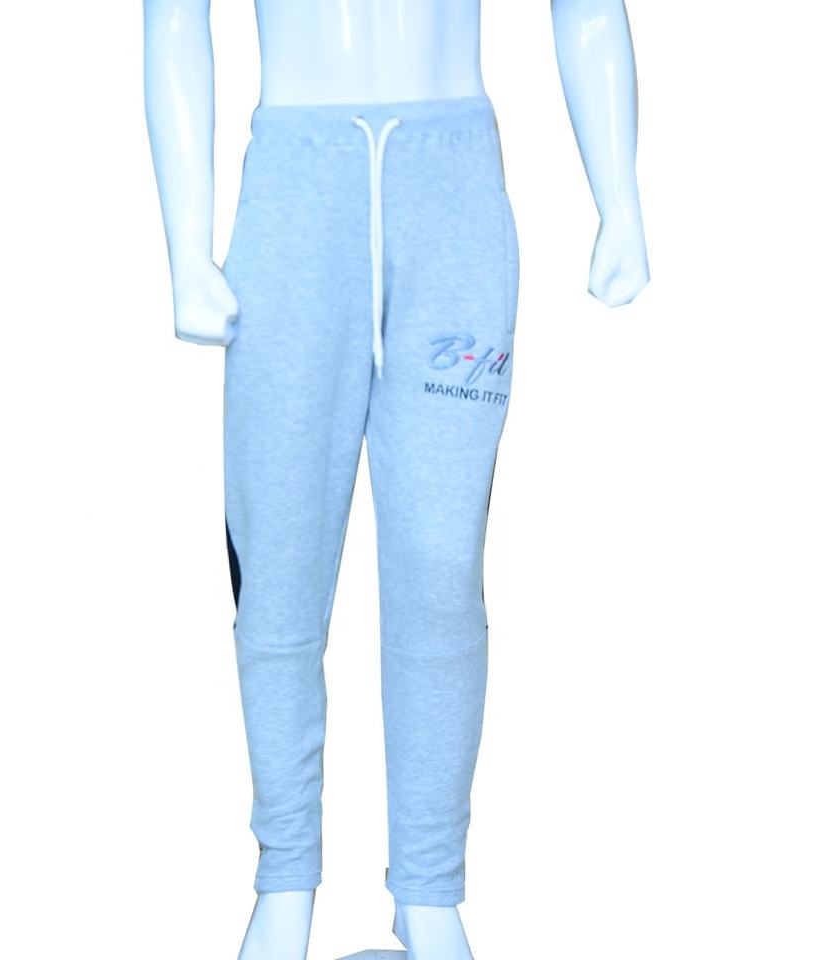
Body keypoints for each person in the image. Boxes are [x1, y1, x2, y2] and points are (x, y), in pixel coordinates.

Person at [142, 2, 649, 958]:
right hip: (295, 195)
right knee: (280, 560)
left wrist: (618, 197)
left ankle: (429, 889)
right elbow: (173, 17)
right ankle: (284, 877)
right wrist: (184, 246)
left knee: (441, 566)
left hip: (453, 197)